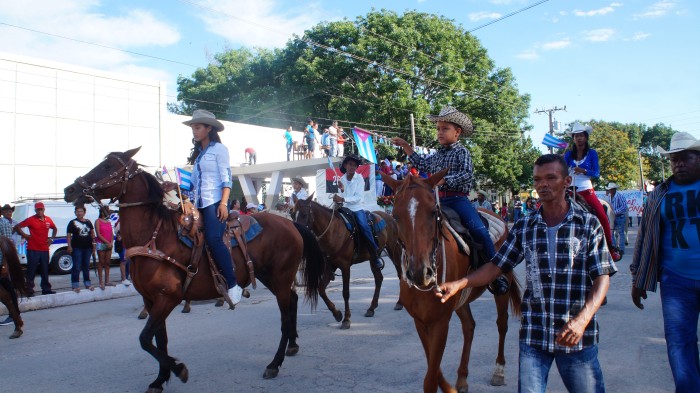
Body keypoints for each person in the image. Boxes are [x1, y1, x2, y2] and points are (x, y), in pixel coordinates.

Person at [436, 154, 617, 392]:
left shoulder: (588, 224)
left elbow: (602, 277)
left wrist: (582, 321)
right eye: (537, 179)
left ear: (567, 181)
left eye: (551, 178)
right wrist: (460, 283)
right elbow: (496, 266)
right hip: (534, 334)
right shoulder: (525, 225)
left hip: (576, 335)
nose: (543, 184)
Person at [391, 106, 508, 295]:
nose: (439, 132)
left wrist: (445, 179)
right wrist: (406, 146)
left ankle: (496, 273)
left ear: (457, 132)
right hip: (437, 201)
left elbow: (467, 175)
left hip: (458, 201)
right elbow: (422, 163)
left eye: (444, 128)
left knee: (480, 232)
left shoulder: (462, 152)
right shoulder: (438, 154)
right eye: (438, 128)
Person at [631, 132, 700, 392]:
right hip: (676, 280)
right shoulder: (659, 193)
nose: (678, 164)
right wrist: (638, 277)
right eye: (674, 160)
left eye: (685, 158)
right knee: (679, 344)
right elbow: (645, 237)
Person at [184, 109, 242, 305]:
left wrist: (224, 203)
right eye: (193, 127)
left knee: (213, 238)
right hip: (198, 204)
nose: (194, 130)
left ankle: (233, 284)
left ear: (209, 128)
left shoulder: (219, 149)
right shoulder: (200, 155)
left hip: (215, 202)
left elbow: (227, 178)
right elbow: (193, 183)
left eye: (198, 127)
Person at [564, 122, 621, 262]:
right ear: (573, 138)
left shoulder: (592, 153)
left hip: (585, 189)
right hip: (569, 189)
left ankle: (610, 247)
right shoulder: (568, 155)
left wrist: (583, 170)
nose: (579, 138)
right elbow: (562, 170)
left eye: (581, 135)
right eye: (576, 136)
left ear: (586, 137)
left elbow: (596, 173)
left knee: (602, 216)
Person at [333, 155, 384, 270]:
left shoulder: (359, 178)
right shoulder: (342, 179)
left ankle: (375, 255)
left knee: (364, 227)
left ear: (356, 167)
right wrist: (339, 193)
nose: (352, 167)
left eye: (354, 165)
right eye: (350, 164)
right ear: (345, 165)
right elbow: (342, 195)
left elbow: (358, 197)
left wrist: (343, 199)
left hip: (356, 208)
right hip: (345, 208)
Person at [14, 202, 57, 296]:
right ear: (35, 210)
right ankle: (29, 290)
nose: (40, 211)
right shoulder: (31, 219)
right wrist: (25, 235)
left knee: (45, 270)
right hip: (33, 249)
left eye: (41, 209)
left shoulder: (48, 220)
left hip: (45, 249)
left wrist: (51, 239)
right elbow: (17, 227)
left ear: (44, 210)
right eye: (38, 209)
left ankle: (46, 289)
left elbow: (55, 229)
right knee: (31, 270)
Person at [66, 205, 96, 292]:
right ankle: (75, 285)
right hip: (77, 247)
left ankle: (88, 284)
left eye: (81, 211)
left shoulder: (88, 222)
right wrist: (69, 246)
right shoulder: (72, 222)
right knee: (76, 266)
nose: (79, 213)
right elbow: (68, 235)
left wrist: (93, 244)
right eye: (77, 211)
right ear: (75, 213)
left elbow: (92, 233)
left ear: (84, 212)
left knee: (86, 266)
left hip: (87, 247)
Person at [0, 203, 19, 326]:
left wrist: (4, 265)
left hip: (2, 263)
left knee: (9, 290)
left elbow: (7, 247)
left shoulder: (4, 224)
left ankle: (14, 316)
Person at [94, 207, 115, 290]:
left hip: (109, 244)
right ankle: (101, 282)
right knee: (101, 262)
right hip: (101, 244)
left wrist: (111, 242)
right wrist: (107, 242)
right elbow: (98, 234)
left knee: (107, 262)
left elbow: (112, 234)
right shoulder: (98, 221)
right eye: (107, 211)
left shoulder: (109, 222)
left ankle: (107, 281)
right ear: (102, 212)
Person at [605, 182, 628, 256]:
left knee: (621, 232)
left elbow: (624, 207)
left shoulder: (620, 196)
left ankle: (621, 249)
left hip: (620, 216)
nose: (610, 191)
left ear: (614, 189)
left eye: (611, 189)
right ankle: (614, 247)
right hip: (612, 217)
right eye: (609, 190)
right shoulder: (609, 197)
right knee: (611, 232)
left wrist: (615, 212)